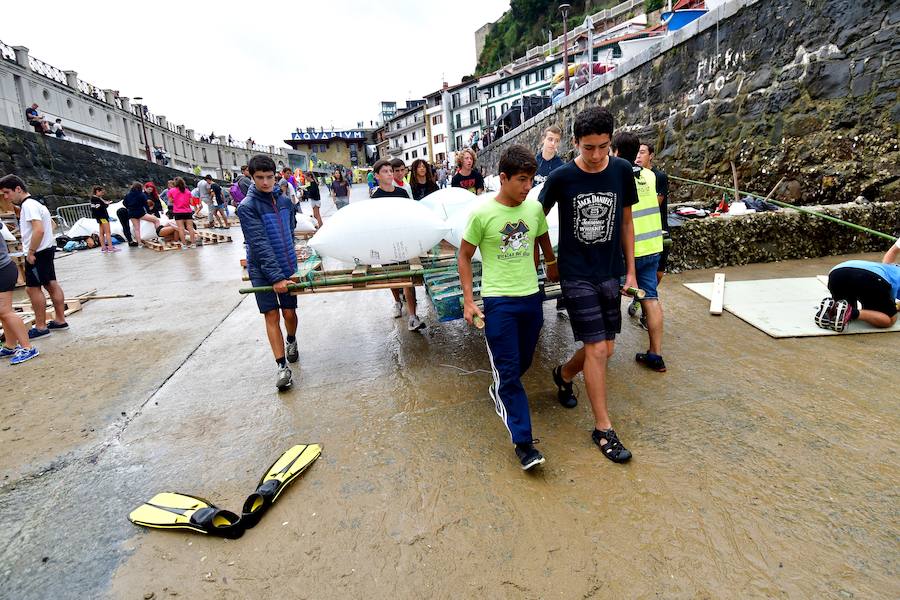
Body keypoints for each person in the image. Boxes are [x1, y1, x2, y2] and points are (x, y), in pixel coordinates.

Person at [539, 106, 638, 464]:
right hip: (576, 272)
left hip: (610, 271)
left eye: (603, 147)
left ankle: (563, 374)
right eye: (588, 147)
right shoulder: (562, 177)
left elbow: (627, 223)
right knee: (597, 350)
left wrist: (631, 272)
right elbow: (535, 218)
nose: (596, 156)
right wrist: (550, 261)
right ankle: (603, 428)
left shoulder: (622, 171)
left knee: (606, 350)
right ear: (575, 143)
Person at [458, 145, 558, 471]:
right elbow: (463, 256)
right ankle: (524, 443)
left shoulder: (533, 210)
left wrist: (551, 263)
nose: (528, 187)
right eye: (521, 180)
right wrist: (469, 300)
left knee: (522, 362)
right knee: (510, 373)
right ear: (503, 178)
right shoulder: (482, 214)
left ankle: (499, 384)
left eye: (531, 179)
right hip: (499, 302)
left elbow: (542, 240)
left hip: (531, 298)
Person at [237, 155, 300, 391]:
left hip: (287, 263)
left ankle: (291, 340)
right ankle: (282, 367)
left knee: (289, 313)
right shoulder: (247, 207)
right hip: (262, 269)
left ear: (276, 176)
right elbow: (259, 243)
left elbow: (291, 229)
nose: (265, 183)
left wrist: (289, 266)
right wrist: (275, 277)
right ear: (251, 178)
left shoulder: (284, 201)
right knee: (271, 315)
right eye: (260, 178)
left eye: (269, 177)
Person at [613, 132, 666, 372]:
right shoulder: (650, 176)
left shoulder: (616, 176)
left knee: (611, 297)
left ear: (614, 151)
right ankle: (655, 354)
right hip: (653, 247)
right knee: (651, 299)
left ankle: (603, 353)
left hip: (629, 250)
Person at [0, 174, 69, 341]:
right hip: (45, 249)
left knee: (32, 289)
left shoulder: (29, 205)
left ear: (18, 189)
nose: (6, 197)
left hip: (37, 253)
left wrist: (31, 251)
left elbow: (39, 229)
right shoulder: (37, 204)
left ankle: (40, 326)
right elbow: (51, 225)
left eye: (7, 192)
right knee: (51, 284)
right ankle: (60, 320)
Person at [370, 159, 426, 331]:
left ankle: (413, 316)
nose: (389, 174)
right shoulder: (375, 197)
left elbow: (410, 214)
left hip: (403, 242)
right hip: (386, 243)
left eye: (390, 171)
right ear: (377, 176)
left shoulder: (402, 192)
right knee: (392, 277)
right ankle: (396, 302)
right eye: (385, 171)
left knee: (408, 278)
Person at [815, 259, 900, 331]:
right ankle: (851, 312)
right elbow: (890, 298)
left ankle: (831, 309)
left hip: (837, 273)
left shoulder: (891, 268)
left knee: (842, 308)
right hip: (869, 277)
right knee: (889, 319)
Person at [168, 177, 197, 248]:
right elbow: (191, 203)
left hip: (178, 212)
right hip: (188, 211)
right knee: (190, 227)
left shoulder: (171, 191)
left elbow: (170, 201)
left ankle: (184, 245)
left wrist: (177, 200)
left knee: (181, 228)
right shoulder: (187, 191)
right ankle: (193, 244)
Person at [90, 185, 117, 253]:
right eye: (101, 192)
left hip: (99, 218)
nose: (102, 194)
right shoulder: (97, 199)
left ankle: (104, 248)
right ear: (97, 191)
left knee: (101, 233)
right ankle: (110, 248)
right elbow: (102, 207)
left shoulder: (93, 199)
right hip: (103, 217)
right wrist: (107, 204)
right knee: (108, 232)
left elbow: (96, 208)